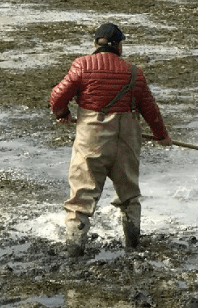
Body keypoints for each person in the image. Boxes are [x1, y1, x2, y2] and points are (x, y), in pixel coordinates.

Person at [50, 23, 172, 257]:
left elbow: (57, 96)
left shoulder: (82, 66)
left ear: (97, 43)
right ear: (119, 45)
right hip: (126, 141)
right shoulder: (134, 73)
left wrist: (63, 114)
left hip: (92, 140)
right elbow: (149, 109)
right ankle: (132, 246)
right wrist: (161, 135)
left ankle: (74, 250)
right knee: (129, 195)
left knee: (81, 198)